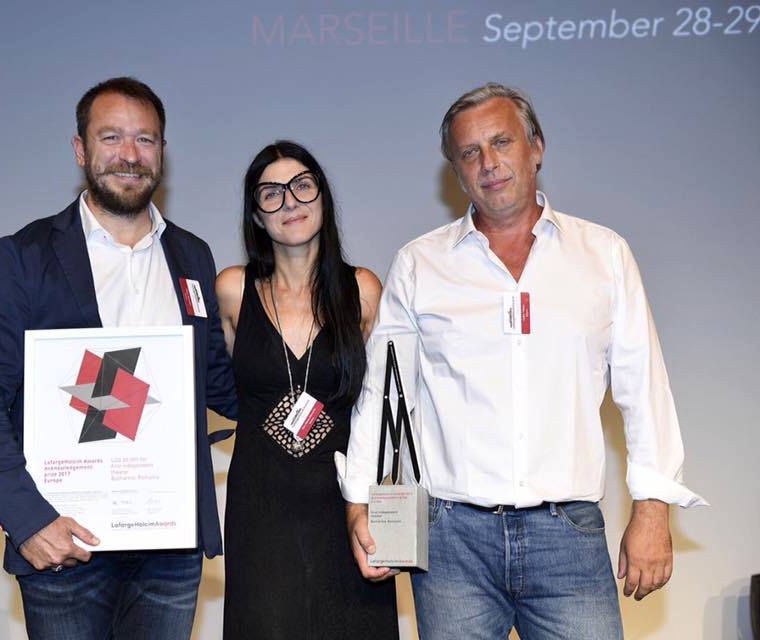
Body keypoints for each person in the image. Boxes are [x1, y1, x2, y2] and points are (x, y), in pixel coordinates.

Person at [339, 83, 707, 639]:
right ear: (456, 173)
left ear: (536, 147)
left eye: (501, 142)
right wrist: (359, 504)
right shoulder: (419, 264)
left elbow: (644, 389)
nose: (488, 163)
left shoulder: (604, 255)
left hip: (569, 537)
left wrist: (653, 508)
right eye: (469, 152)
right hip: (451, 542)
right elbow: (385, 396)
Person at [0, 77, 236, 639]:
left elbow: (217, 384)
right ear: (81, 149)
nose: (130, 154)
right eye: (111, 137)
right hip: (65, 546)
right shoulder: (28, 255)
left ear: (163, 152)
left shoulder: (192, 256)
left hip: (169, 547)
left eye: (145, 140)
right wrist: (28, 521)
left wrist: (315, 392)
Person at [216, 141, 398, 639]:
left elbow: (380, 410)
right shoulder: (232, 290)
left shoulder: (364, 291)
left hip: (346, 507)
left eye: (301, 185)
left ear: (322, 195)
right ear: (256, 215)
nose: (290, 202)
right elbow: (214, 387)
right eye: (271, 193)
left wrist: (376, 509)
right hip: (261, 509)